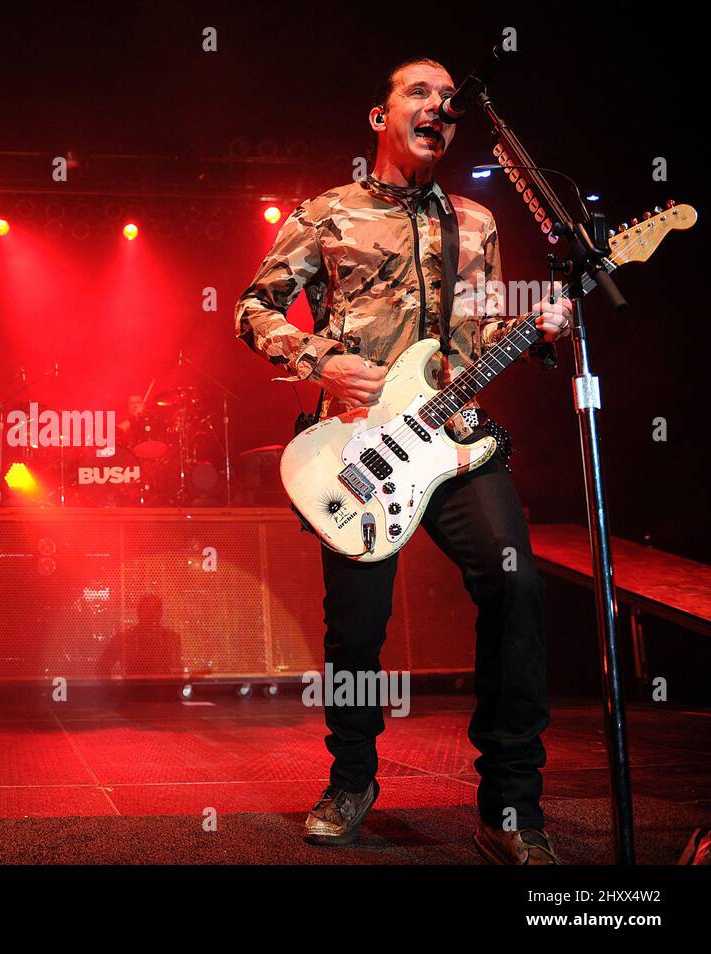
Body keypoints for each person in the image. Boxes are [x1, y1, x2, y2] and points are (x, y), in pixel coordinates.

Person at [234, 59, 573, 864]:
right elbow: (253, 307)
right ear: (379, 117)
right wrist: (318, 358)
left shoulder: (477, 222)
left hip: (455, 440)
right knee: (357, 631)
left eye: (446, 100)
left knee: (517, 582)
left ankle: (512, 804)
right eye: (417, 93)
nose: (437, 107)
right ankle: (351, 778)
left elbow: (482, 332)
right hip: (358, 445)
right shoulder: (328, 212)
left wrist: (536, 329)